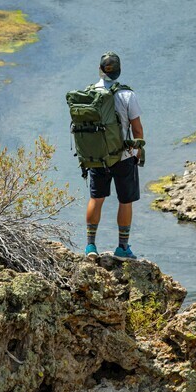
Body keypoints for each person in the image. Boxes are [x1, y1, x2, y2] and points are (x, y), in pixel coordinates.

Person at [85, 51, 143, 259]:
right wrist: (137, 152)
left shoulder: (88, 93)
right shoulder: (127, 95)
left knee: (96, 198)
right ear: (118, 72)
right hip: (123, 157)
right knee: (125, 201)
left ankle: (91, 247)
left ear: (100, 70)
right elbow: (137, 131)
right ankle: (122, 247)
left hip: (97, 156)